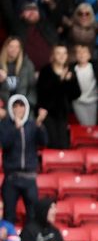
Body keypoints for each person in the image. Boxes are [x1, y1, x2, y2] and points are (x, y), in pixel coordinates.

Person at [0, 94, 47, 224]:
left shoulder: (32, 125)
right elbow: (4, 143)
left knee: (33, 216)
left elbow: (43, 141)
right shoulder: (5, 125)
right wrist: (16, 128)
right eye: (15, 106)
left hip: (29, 178)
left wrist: (39, 125)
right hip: (12, 177)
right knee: (9, 215)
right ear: (11, 108)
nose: (19, 109)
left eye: (21, 105)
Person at [36, 44, 81, 149]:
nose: (61, 56)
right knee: (53, 143)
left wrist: (70, 81)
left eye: (64, 53)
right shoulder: (46, 71)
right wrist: (60, 80)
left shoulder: (70, 71)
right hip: (47, 112)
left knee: (64, 144)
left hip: (63, 113)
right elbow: (43, 93)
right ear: (53, 55)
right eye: (58, 53)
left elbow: (76, 94)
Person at [71, 43, 98, 127]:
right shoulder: (71, 69)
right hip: (78, 102)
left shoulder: (96, 67)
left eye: (84, 52)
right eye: (79, 52)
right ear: (76, 55)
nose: (82, 55)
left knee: (92, 125)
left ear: (89, 55)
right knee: (85, 125)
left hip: (93, 101)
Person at [0, 37, 37, 107]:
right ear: (6, 48)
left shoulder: (27, 65)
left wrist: (25, 104)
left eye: (17, 47)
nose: (14, 50)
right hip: (3, 106)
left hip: (22, 106)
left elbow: (32, 89)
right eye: (11, 46)